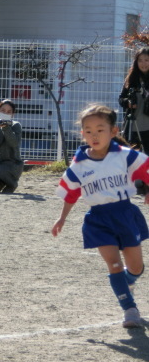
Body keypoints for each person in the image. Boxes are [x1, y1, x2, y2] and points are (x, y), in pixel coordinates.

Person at [52, 104, 147, 329]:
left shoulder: (125, 156)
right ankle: (130, 309)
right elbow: (72, 193)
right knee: (114, 264)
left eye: (100, 129)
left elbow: (146, 170)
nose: (94, 135)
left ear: (113, 131)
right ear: (82, 133)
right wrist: (62, 218)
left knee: (136, 268)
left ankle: (129, 280)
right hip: (98, 220)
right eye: (88, 130)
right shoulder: (79, 165)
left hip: (125, 213)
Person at [119, 47, 149, 153]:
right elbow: (121, 99)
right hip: (132, 125)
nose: (143, 63)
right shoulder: (131, 79)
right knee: (132, 158)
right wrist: (128, 103)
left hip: (148, 127)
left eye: (146, 60)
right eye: (140, 60)